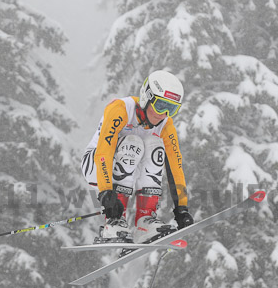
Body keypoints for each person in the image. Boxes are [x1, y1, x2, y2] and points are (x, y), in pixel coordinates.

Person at [81, 70, 194, 244]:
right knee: (132, 143)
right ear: (147, 97)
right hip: (96, 164)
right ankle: (114, 221)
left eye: (171, 109)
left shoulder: (165, 124)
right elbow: (104, 151)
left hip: (128, 167)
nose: (162, 114)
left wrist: (181, 207)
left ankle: (144, 222)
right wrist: (106, 193)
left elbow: (175, 166)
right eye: (160, 105)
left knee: (156, 147)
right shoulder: (121, 109)